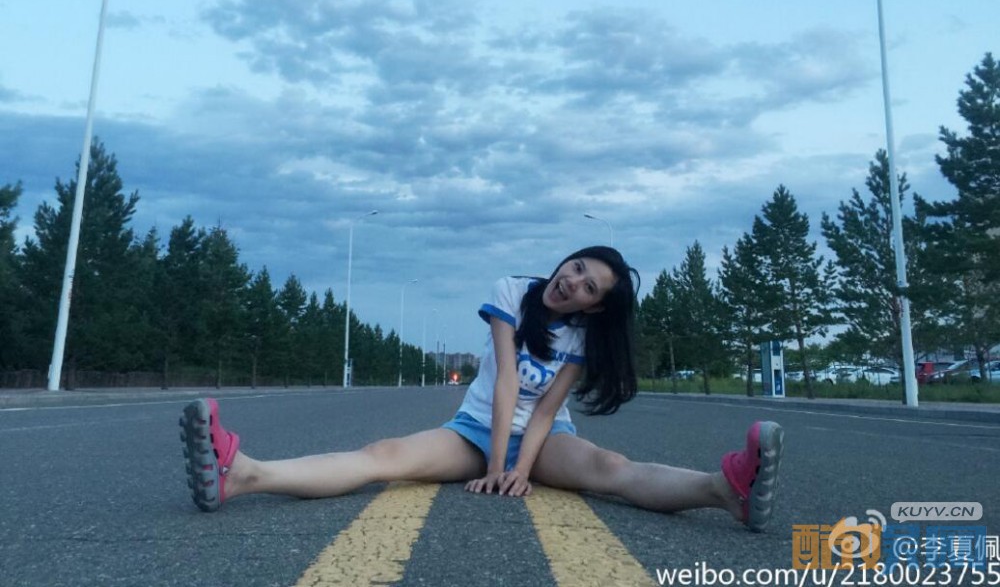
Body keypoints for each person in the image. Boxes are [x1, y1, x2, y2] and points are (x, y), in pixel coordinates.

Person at [180, 245, 784, 531]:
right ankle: (245, 474)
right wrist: (496, 467)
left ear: (596, 308)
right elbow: (507, 384)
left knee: (610, 467)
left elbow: (543, 411)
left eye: (589, 287)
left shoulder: (581, 337)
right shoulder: (511, 291)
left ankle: (724, 489)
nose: (573, 283)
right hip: (473, 431)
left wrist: (520, 468)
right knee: (384, 455)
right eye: (576, 268)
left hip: (546, 440)